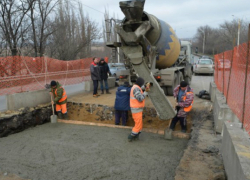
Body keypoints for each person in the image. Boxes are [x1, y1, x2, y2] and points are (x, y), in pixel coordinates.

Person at [128, 77, 150, 142]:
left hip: (137, 109)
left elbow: (141, 90)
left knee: (139, 124)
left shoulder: (136, 87)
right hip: (136, 109)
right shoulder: (136, 89)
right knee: (138, 124)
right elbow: (140, 98)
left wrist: (146, 87)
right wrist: (146, 92)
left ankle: (136, 136)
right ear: (140, 83)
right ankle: (131, 136)